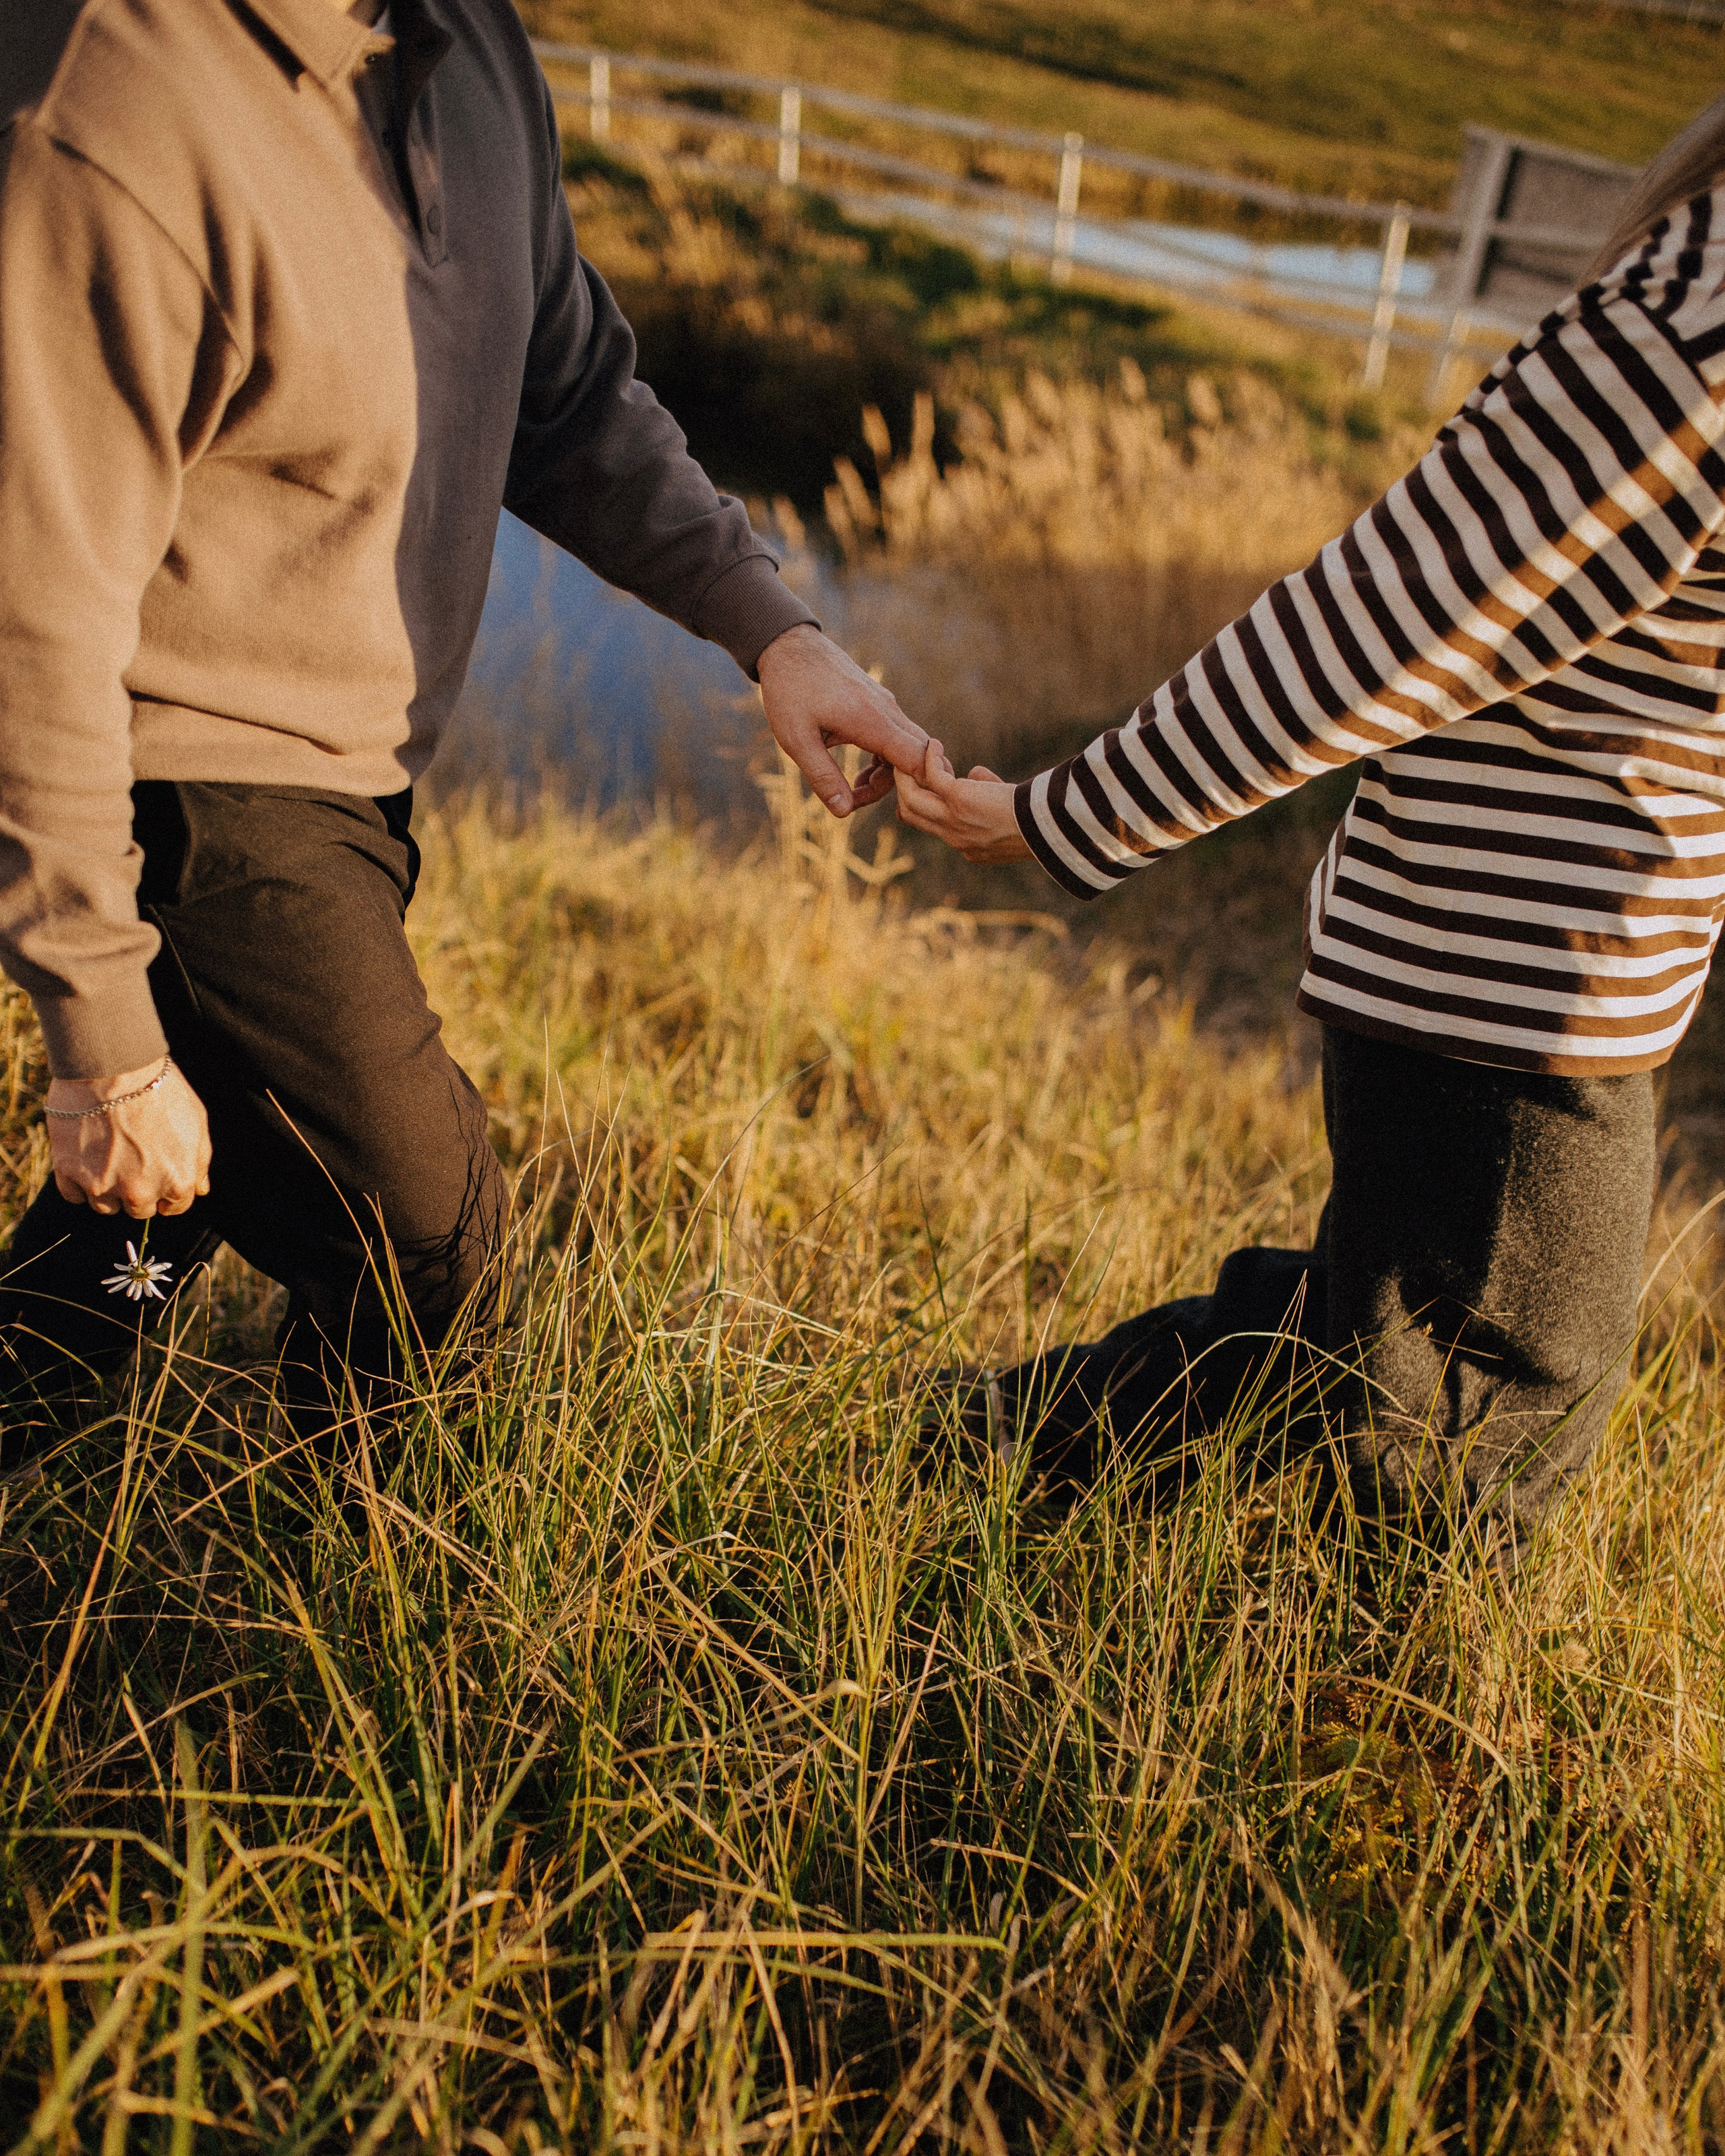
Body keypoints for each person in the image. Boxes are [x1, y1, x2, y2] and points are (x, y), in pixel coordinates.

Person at [0, 0, 927, 1461]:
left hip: (359, 779)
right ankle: (342, 1602)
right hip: (181, 777)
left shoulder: (469, 45)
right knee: (428, 1238)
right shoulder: (108, 101)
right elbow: (25, 608)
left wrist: (773, 629)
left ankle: (38, 1411)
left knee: (162, 1207)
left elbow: (565, 398)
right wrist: (100, 1039)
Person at [896, 96, 1725, 1550]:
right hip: (1506, 972)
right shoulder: (1693, 332)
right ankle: (1368, 1729)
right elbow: (1376, 624)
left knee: (1377, 1337)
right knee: (1489, 1408)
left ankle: (986, 1446)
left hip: (1571, 966)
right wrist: (1067, 813)